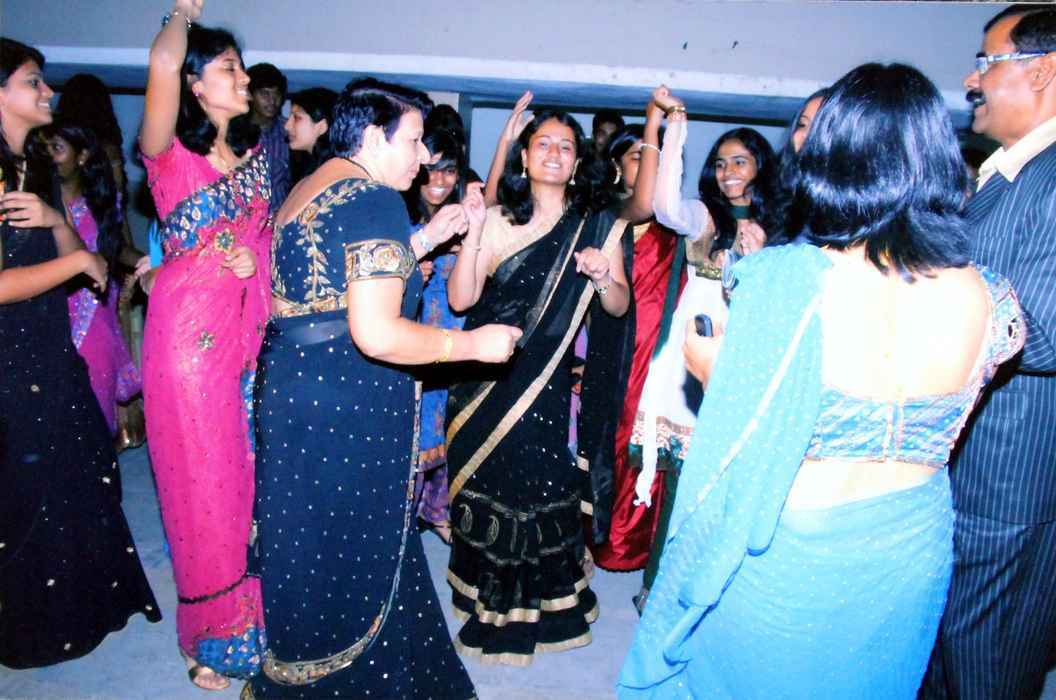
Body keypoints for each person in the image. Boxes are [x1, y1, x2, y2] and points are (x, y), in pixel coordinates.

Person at [618, 62, 1025, 699]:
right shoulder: (991, 295)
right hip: (910, 550)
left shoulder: (782, 278)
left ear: (830, 159)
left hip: (793, 553)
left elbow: (748, 440)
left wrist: (715, 375)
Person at [249, 77, 520, 699]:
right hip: (346, 398)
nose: (424, 157)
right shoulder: (374, 199)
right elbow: (375, 332)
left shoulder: (312, 186)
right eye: (416, 140)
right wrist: (473, 346)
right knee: (354, 551)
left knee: (314, 544)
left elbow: (332, 289)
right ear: (374, 136)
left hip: (297, 388)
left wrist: (425, 238)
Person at [445, 107, 630, 665]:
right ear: (523, 157)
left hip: (544, 387)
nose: (554, 153)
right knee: (493, 486)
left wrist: (603, 276)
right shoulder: (496, 218)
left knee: (539, 487)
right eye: (543, 143)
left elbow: (618, 306)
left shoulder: (598, 225)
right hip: (486, 380)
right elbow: (460, 299)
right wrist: (473, 233)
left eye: (565, 146)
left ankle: (543, 606)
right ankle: (487, 598)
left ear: (576, 162)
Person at [0, 36, 160, 669]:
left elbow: (75, 250)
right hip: (11, 360)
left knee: (79, 471)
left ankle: (83, 611)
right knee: (27, 487)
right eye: (32, 81)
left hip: (49, 345)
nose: (48, 92)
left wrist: (53, 220)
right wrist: (76, 261)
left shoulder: (32, 168)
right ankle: (35, 628)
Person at [922, 6, 1056, 699]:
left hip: (1007, 481)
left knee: (986, 667)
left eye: (986, 62)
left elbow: (1044, 331)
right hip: (972, 469)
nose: (972, 80)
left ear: (1042, 72)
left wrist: (919, 299)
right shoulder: (1007, 174)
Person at [138, 1, 271, 689]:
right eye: (228, 68)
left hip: (245, 336)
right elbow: (163, 59)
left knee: (248, 477)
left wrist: (254, 260)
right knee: (202, 485)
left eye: (242, 68)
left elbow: (264, 241)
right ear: (195, 85)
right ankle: (208, 639)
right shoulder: (169, 152)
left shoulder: (251, 156)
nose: (243, 78)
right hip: (188, 344)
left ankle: (255, 620)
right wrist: (181, 13)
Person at [624, 87, 779, 612]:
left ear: (761, 167)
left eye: (740, 161)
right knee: (684, 477)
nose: (728, 172)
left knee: (731, 479)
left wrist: (762, 259)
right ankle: (661, 585)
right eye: (720, 163)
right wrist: (676, 130)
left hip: (749, 358)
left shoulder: (784, 229)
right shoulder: (706, 218)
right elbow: (664, 206)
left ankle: (720, 591)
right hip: (691, 360)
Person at [46, 120, 141, 437]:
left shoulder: (101, 203)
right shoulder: (36, 206)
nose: (49, 156)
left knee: (96, 414)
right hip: (51, 315)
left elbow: (116, 248)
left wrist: (151, 263)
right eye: (44, 149)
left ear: (83, 156)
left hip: (94, 318)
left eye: (57, 148)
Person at [406, 126, 469, 544]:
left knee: (449, 428)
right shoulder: (399, 220)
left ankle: (438, 511)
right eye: (431, 170)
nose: (439, 180)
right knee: (415, 434)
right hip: (413, 340)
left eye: (449, 170)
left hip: (457, 339)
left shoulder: (463, 221)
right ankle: (404, 521)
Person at [247, 62, 289, 210]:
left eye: (276, 94)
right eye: (265, 94)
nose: (272, 101)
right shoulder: (235, 132)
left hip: (280, 215)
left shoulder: (289, 131)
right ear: (250, 95)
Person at [284, 87, 336, 184]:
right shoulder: (310, 165)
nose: (287, 126)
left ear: (322, 126)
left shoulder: (332, 172)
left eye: (297, 118)